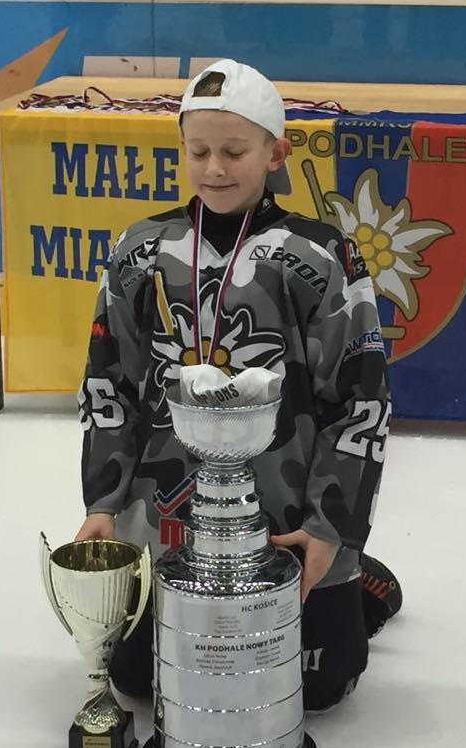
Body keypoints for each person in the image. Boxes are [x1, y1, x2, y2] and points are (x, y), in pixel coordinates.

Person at [74, 58, 401, 712]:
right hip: (168, 521)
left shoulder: (321, 255)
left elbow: (361, 401)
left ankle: (362, 583)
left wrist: (330, 528)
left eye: (234, 151)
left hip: (285, 523)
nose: (215, 169)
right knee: (137, 680)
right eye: (198, 152)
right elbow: (108, 385)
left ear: (275, 153)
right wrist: (102, 503)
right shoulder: (139, 250)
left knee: (320, 688)